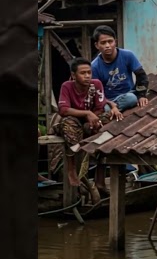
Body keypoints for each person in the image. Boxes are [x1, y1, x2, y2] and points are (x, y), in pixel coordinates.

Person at [89, 25, 148, 193]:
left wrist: (142, 95)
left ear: (115, 42)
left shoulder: (127, 55)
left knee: (131, 97)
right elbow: (97, 94)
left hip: (127, 95)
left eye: (110, 41)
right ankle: (99, 180)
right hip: (106, 101)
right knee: (105, 113)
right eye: (103, 43)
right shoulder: (95, 66)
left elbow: (142, 76)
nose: (107, 45)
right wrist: (112, 106)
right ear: (97, 46)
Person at [51, 58, 122, 195]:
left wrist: (91, 119)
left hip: (90, 121)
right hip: (73, 120)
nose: (87, 76)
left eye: (89, 72)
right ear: (73, 75)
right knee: (68, 124)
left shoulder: (96, 84)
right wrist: (86, 113)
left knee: (108, 122)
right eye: (83, 73)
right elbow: (63, 110)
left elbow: (100, 107)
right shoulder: (67, 86)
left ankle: (100, 177)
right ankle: (71, 168)